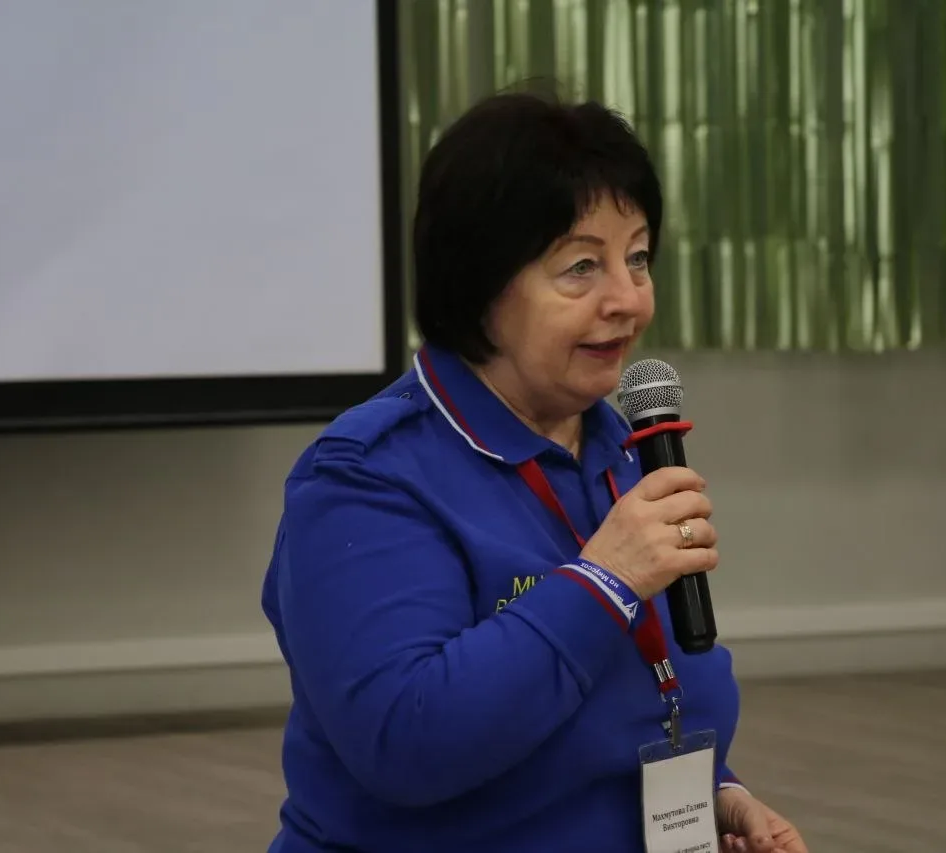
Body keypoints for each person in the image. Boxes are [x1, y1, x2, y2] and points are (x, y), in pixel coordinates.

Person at [260, 89, 808, 853]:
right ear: (480, 285)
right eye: (582, 267)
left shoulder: (622, 452)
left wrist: (719, 794)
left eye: (638, 257)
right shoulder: (365, 479)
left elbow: (634, 701)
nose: (628, 299)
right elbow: (406, 741)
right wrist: (603, 582)